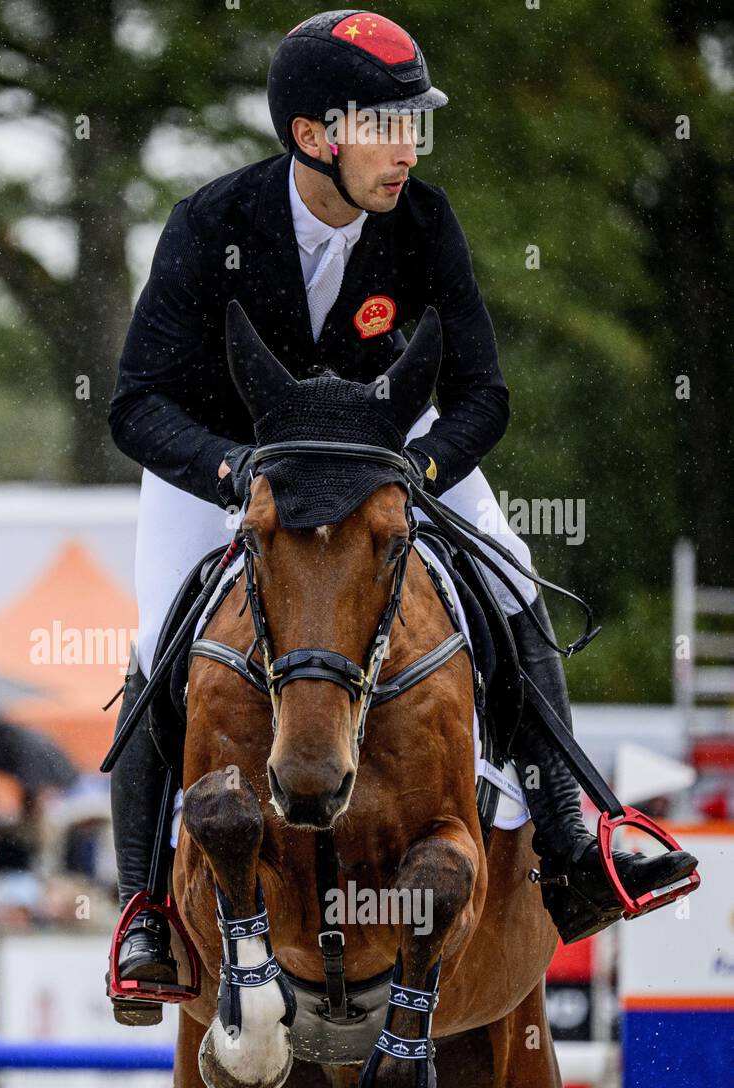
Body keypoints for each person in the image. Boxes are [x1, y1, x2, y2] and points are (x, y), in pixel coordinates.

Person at [105, 11, 695, 1021]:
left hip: (392, 457)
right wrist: (230, 469)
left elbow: (482, 395)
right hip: (232, 462)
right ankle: (146, 907)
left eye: (414, 123)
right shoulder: (212, 224)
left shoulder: (424, 221)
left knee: (510, 581)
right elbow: (134, 402)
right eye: (385, 125)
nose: (407, 149)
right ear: (311, 137)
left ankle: (568, 834)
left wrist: (415, 470)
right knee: (160, 641)